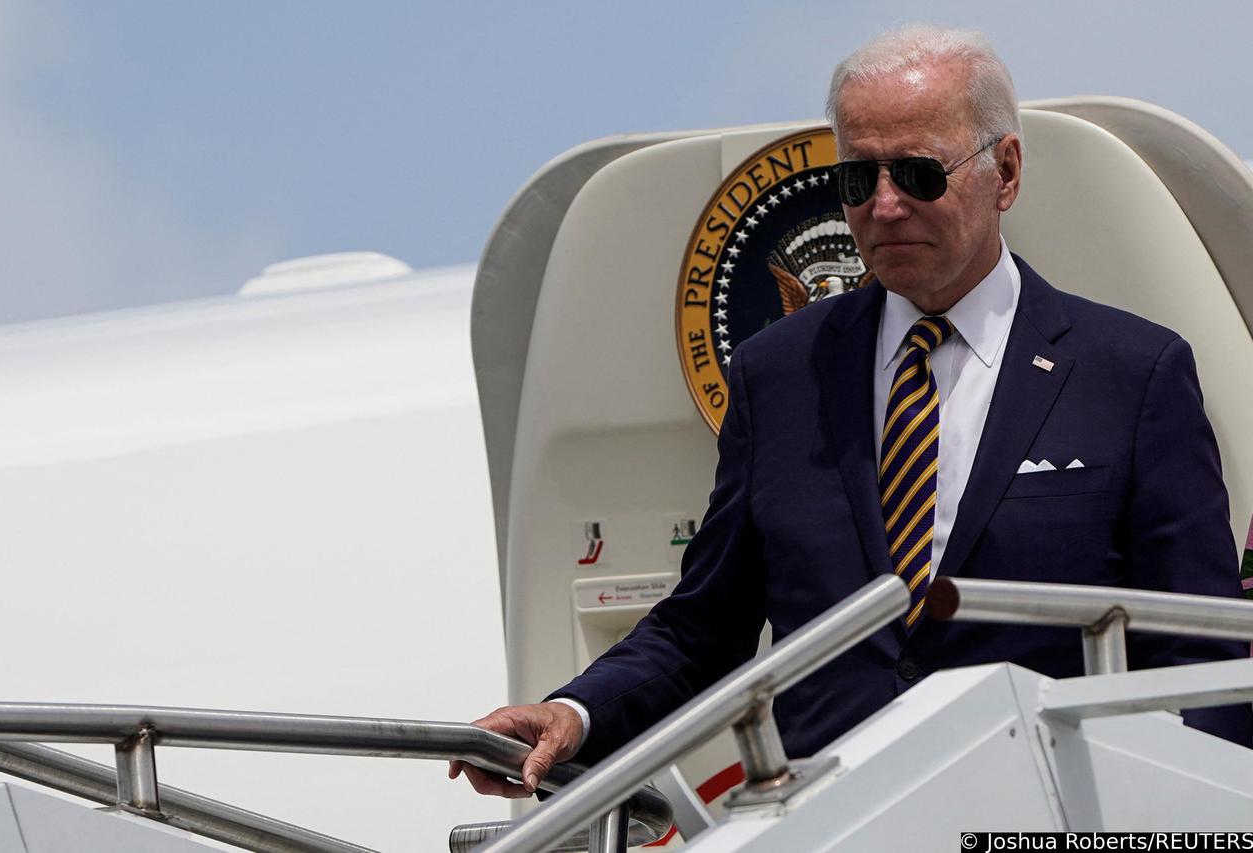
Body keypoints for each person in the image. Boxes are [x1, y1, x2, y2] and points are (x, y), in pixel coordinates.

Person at [450, 24, 1253, 799]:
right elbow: (705, 624)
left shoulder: (1132, 374)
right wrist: (573, 713)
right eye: (858, 179)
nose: (885, 205)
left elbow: (1205, 653)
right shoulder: (779, 374)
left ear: (1005, 171)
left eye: (919, 174)